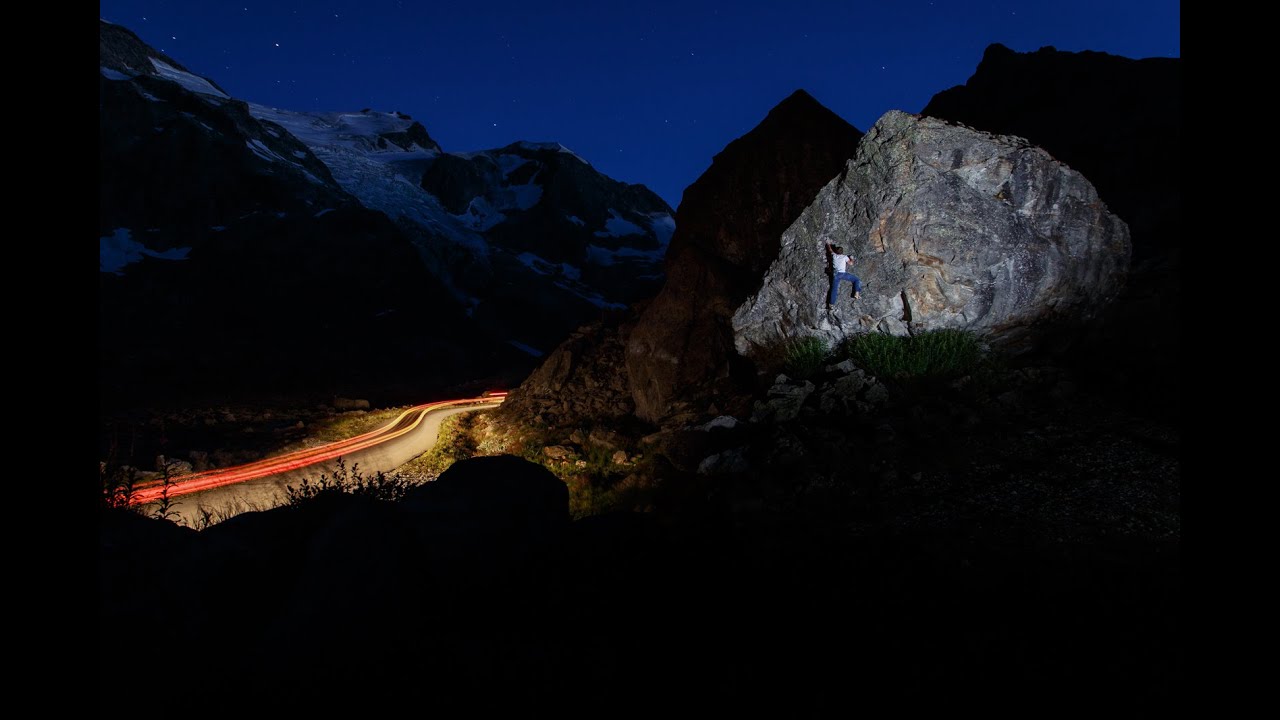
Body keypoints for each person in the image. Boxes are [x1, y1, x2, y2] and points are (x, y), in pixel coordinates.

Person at [824, 240, 862, 305]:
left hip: (835, 274)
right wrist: (851, 258)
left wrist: (828, 244)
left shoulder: (834, 256)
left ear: (836, 251)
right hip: (842, 274)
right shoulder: (844, 257)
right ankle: (857, 293)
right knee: (856, 279)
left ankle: (831, 304)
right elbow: (851, 263)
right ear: (842, 252)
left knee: (834, 289)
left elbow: (830, 250)